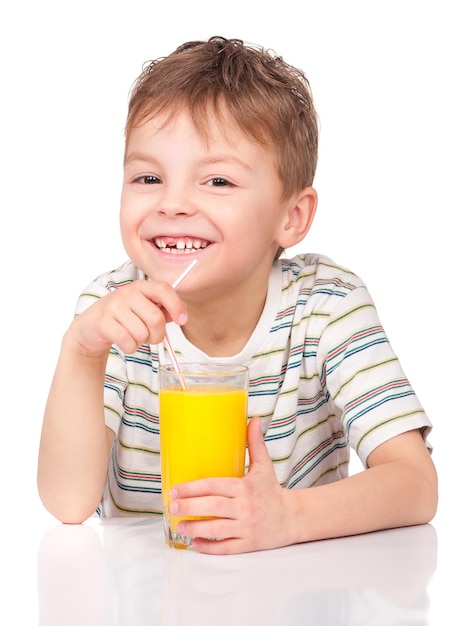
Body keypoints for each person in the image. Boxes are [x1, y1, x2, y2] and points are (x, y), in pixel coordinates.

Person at [37, 36, 438, 555]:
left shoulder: (326, 305)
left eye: (219, 180)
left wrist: (287, 517)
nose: (173, 202)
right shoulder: (112, 312)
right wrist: (81, 351)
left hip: (297, 594)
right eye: (148, 176)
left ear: (291, 217)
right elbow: (68, 504)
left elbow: (416, 485)